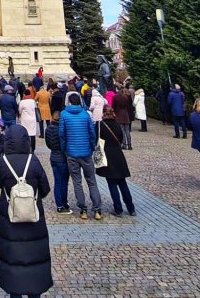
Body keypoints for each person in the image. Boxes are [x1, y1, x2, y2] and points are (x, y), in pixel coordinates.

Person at [0, 124, 53, 298]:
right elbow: (45, 188)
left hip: (10, 219)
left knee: (13, 262)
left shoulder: (4, 162)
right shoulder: (33, 160)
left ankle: (16, 293)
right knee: (35, 260)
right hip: (33, 219)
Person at [59, 92, 102, 220]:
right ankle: (97, 209)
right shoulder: (85, 114)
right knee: (92, 181)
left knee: (77, 182)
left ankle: (83, 209)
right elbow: (92, 132)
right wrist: (92, 146)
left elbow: (62, 134)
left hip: (71, 153)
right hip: (86, 152)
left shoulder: (64, 115)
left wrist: (64, 149)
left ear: (69, 102)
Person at [96, 105, 136, 217]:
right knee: (123, 183)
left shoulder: (100, 125)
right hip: (118, 156)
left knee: (112, 183)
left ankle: (118, 209)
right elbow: (121, 138)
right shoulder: (117, 124)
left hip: (107, 155)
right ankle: (131, 208)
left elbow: (97, 140)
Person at [44, 108, 70, 214]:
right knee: (64, 182)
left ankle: (59, 204)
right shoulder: (62, 129)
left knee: (57, 181)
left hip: (53, 156)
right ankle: (63, 203)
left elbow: (48, 143)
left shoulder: (48, 129)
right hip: (62, 158)